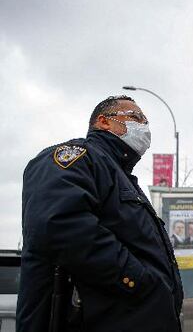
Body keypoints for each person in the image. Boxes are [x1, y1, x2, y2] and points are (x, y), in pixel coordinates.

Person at [17, 95, 183, 332]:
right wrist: (139, 281)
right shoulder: (78, 156)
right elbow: (58, 225)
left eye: (146, 122)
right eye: (136, 118)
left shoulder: (122, 178)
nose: (144, 127)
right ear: (104, 122)